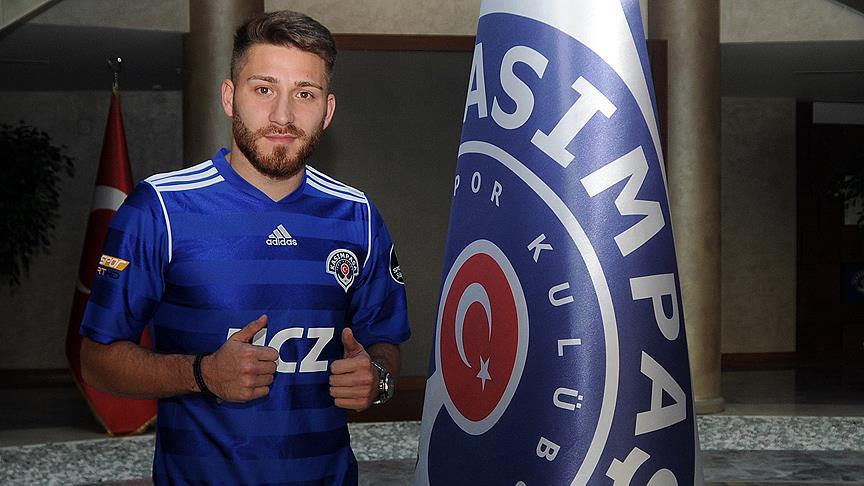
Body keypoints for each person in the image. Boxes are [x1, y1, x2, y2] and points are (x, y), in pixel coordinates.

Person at [79, 10, 410, 485]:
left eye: (305, 93)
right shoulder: (160, 209)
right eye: (263, 89)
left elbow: (384, 343)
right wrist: (202, 374)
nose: (283, 115)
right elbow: (97, 361)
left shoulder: (359, 217)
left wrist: (376, 379)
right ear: (230, 97)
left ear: (328, 110)